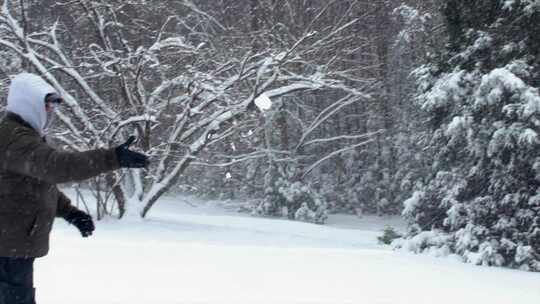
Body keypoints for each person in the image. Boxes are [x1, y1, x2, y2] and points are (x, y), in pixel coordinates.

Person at [0, 73, 149, 304]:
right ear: (29, 104)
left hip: (12, 243)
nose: (50, 112)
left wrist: (69, 212)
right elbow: (58, 167)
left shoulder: (21, 136)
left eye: (51, 107)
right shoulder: (15, 139)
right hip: (7, 247)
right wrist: (112, 158)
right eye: (46, 106)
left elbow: (31, 187)